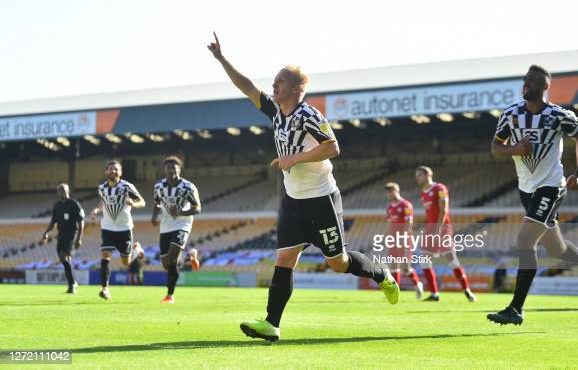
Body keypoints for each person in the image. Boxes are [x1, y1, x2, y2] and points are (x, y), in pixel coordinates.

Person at [207, 32, 399, 342]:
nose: (274, 86)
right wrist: (221, 59)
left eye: (280, 82)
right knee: (284, 259)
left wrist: (295, 157)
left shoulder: (310, 115)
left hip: (321, 199)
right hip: (293, 201)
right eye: (274, 82)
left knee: (339, 264)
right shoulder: (275, 112)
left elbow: (332, 147)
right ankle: (271, 324)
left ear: (296, 89)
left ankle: (382, 274)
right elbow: (247, 88)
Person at [487, 65, 578, 325]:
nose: (526, 83)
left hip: (551, 186)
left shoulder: (558, 115)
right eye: (525, 80)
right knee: (557, 249)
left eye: (532, 80)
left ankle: (515, 309)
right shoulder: (510, 114)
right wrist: (515, 150)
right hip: (526, 189)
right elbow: (496, 147)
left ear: (545, 86)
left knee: (524, 242)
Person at [415, 166, 477, 302]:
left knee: (452, 261)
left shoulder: (439, 188)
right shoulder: (423, 193)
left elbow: (443, 210)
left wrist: (438, 229)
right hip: (430, 229)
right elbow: (430, 214)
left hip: (442, 229)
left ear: (427, 175)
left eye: (419, 175)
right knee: (424, 261)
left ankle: (467, 291)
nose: (417, 178)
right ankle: (434, 294)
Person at [89, 160, 146, 300]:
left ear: (120, 172)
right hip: (108, 227)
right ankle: (105, 289)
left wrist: (133, 202)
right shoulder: (102, 188)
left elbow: (142, 202)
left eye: (116, 169)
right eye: (110, 169)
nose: (113, 171)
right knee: (105, 256)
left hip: (124, 228)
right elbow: (104, 201)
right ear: (106, 172)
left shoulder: (127, 186)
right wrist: (96, 210)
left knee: (125, 262)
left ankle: (136, 250)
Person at [151, 156, 201, 304]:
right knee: (167, 265)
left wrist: (181, 213)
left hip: (182, 225)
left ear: (179, 169)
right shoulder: (159, 187)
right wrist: (154, 217)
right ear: (164, 170)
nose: (172, 170)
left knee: (172, 259)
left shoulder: (188, 187)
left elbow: (197, 208)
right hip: (165, 226)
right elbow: (156, 204)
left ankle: (169, 295)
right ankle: (189, 257)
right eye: (169, 168)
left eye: (174, 167)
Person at [40, 183, 84, 294]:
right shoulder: (57, 205)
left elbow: (81, 221)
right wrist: (46, 233)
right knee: (64, 259)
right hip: (61, 234)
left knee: (63, 257)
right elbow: (53, 222)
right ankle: (72, 283)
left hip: (72, 233)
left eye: (63, 190)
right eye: (59, 190)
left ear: (68, 191)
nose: (61, 192)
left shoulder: (74, 204)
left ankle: (72, 283)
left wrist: (79, 238)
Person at [384, 182, 424, 298]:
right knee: (393, 266)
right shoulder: (390, 208)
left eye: (390, 192)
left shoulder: (406, 205)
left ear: (396, 191)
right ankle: (394, 292)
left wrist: (403, 237)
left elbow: (409, 223)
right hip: (393, 240)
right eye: (387, 193)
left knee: (406, 268)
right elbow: (390, 224)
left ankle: (418, 284)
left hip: (404, 240)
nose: (389, 195)